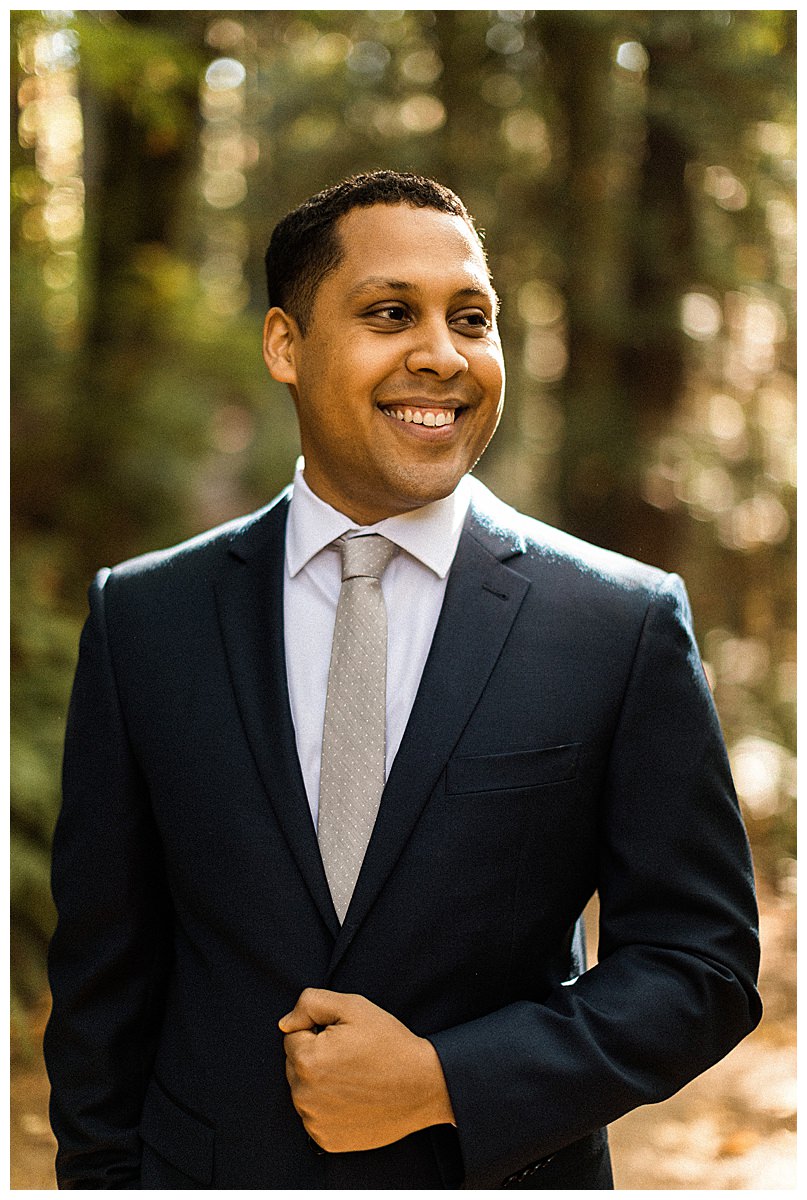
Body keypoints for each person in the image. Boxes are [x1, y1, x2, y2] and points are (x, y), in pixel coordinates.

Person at [44, 170, 761, 1190]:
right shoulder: (144, 618)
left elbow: (704, 967)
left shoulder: (620, 623)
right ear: (285, 344)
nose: (443, 353)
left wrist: (443, 1080)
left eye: (473, 318)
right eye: (391, 314)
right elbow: (100, 987)